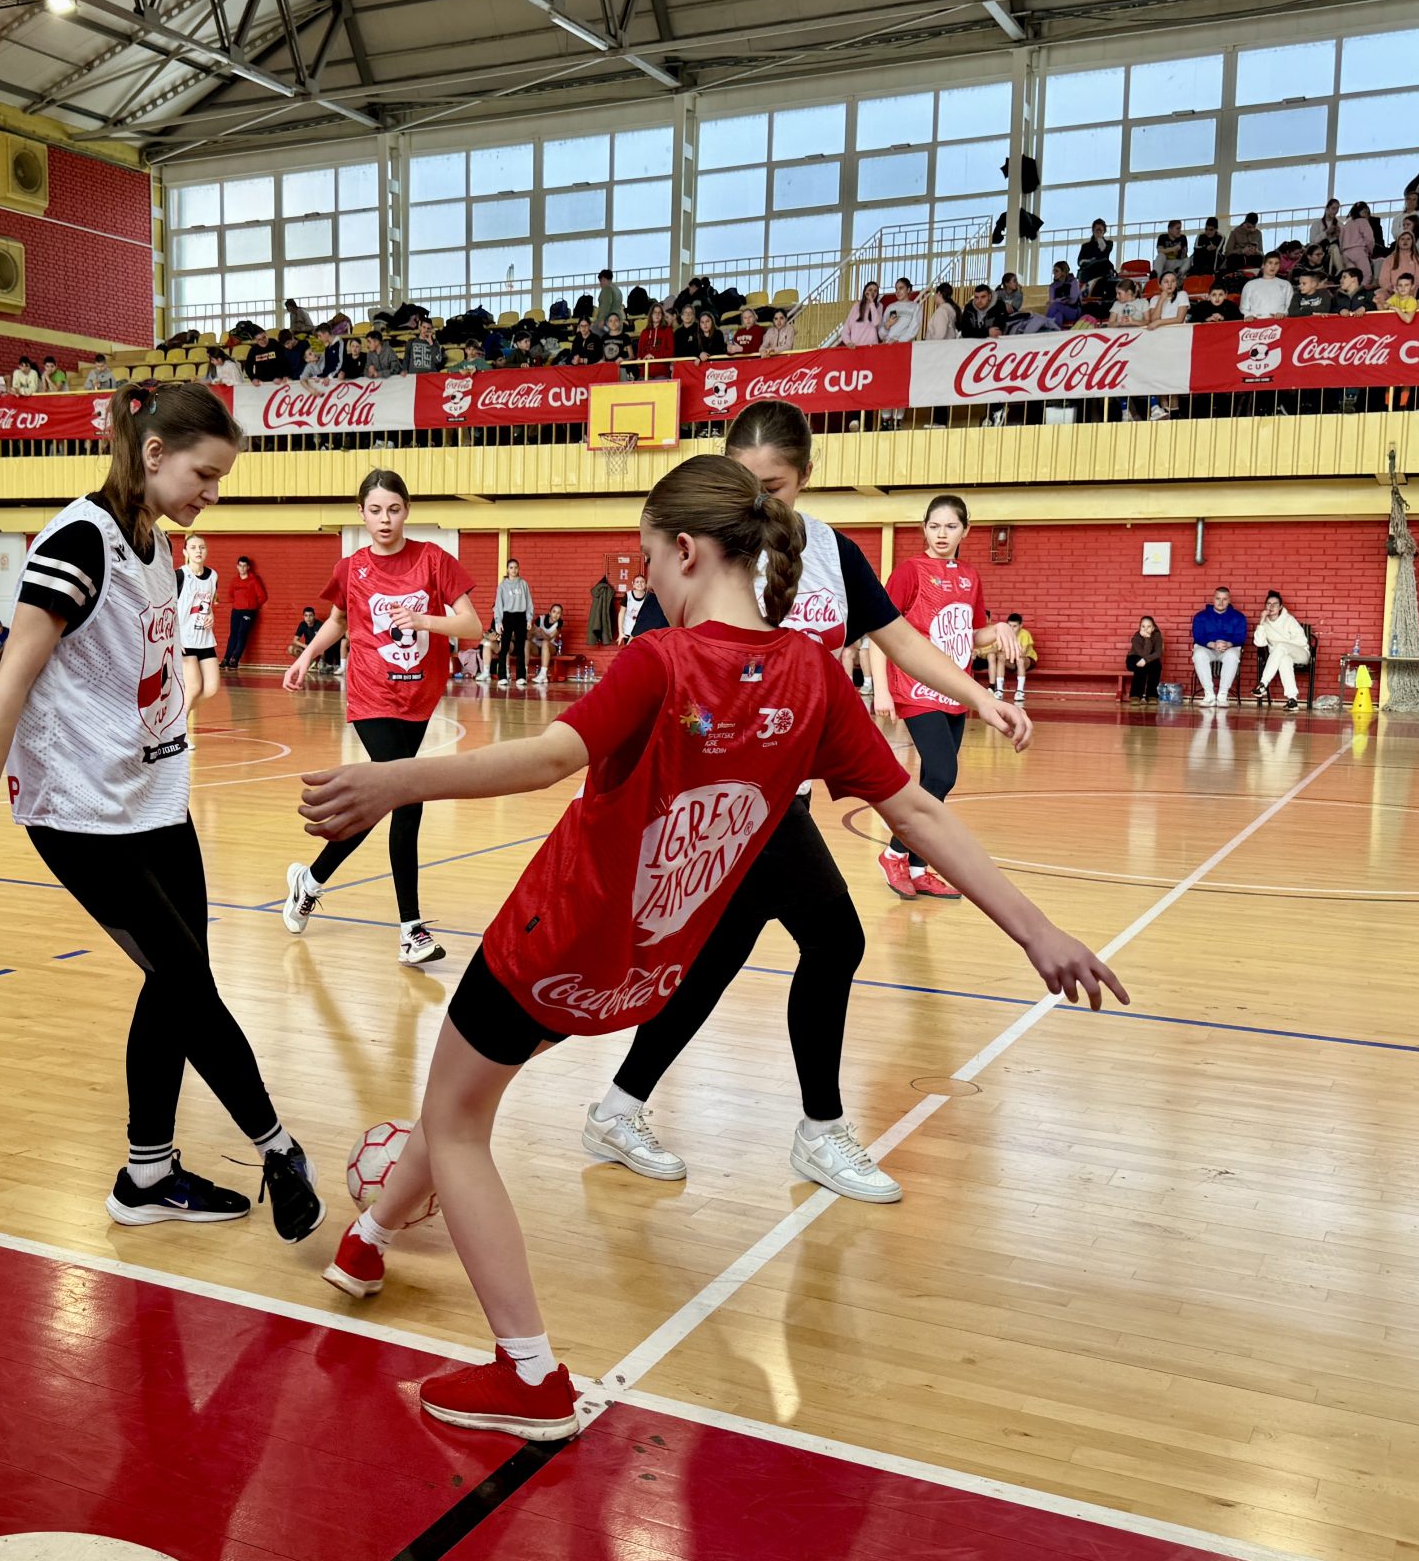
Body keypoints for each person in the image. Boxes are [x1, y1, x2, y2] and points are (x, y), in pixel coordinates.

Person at [305, 454, 1125, 1438]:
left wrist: (395, 782)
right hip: (640, 969)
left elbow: (548, 757)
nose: (646, 579)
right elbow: (915, 811)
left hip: (550, 941)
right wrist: (1038, 932)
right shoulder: (813, 675)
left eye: (649, 559)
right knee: (466, 1094)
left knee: (454, 1124)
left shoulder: (660, 662)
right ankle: (366, 1240)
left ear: (687, 551)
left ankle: (527, 1374)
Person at [0, 382, 322, 1239]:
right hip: (80, 813)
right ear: (153, 454)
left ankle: (147, 1175)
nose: (212, 495)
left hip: (153, 797)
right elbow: (11, 678)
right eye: (204, 476)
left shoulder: (156, 542)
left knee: (175, 983)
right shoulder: (79, 540)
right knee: (186, 982)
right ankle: (278, 1149)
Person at [598, 405, 1028, 1194]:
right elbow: (649, 668)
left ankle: (619, 1107)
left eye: (774, 486)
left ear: (805, 477)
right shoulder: (700, 548)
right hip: (719, 790)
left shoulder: (830, 551)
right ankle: (819, 1131)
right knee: (835, 941)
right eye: (743, 482)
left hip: (780, 791)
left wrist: (979, 696)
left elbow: (901, 639)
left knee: (723, 955)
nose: (757, 501)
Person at [279, 471, 482, 967]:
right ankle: (411, 930)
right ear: (361, 514)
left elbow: (473, 625)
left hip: (419, 695)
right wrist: (306, 656)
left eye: (393, 509)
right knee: (406, 797)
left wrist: (425, 619)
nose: (385, 519)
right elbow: (339, 620)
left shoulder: (434, 559)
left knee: (383, 799)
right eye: (375, 510)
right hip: (371, 695)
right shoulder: (351, 568)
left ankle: (310, 881)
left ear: (406, 510)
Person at [879, 495, 991, 902]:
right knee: (943, 775)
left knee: (934, 781)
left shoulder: (970, 577)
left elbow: (973, 635)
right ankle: (894, 854)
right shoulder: (910, 571)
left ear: (965, 530)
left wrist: (1001, 633)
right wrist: (881, 689)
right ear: (924, 528)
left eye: (951, 526)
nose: (942, 534)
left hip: (955, 689)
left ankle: (917, 867)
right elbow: (880, 629)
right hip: (916, 688)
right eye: (934, 526)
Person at [176, 532, 221, 711]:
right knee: (193, 688)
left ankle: (177, 716)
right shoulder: (179, 575)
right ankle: (179, 725)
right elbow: (166, 608)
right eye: (193, 548)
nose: (198, 551)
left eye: (202, 547)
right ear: (185, 552)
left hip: (204, 638)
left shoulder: (213, 576)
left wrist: (211, 615)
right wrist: (173, 637)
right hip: (184, 639)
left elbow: (207, 604)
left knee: (211, 689)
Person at [1251, 590, 1310, 710]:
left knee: (1280, 647)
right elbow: (1259, 643)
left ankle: (1263, 684)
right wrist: (1261, 621)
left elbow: (1302, 641)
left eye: (1275, 604)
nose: (1271, 607)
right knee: (1284, 660)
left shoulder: (1289, 620)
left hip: (1301, 653)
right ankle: (1292, 699)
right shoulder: (1265, 624)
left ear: (1280, 607)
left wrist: (1283, 646)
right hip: (1280, 656)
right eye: (1269, 604)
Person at [1190, 586, 1247, 705]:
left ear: (1229, 600)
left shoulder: (1238, 617)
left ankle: (1222, 695)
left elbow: (1241, 637)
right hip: (1207, 648)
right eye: (1218, 598)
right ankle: (1209, 694)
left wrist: (1228, 644)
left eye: (1224, 599)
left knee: (1232, 656)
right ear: (1213, 599)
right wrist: (1212, 644)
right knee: (1198, 654)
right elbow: (1198, 635)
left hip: (1228, 649)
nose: (1221, 602)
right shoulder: (1201, 616)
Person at [490, 557, 533, 690]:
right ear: (507, 570)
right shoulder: (502, 586)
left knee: (520, 647)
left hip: (521, 616)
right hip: (507, 616)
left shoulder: (523, 584)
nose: (514, 570)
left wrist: (529, 619)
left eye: (516, 567)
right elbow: (498, 604)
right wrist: (498, 621)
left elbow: (529, 603)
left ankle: (521, 676)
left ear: (518, 569)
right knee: (504, 647)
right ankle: (502, 676)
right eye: (511, 568)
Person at [976, 610, 1036, 701]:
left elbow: (1022, 653)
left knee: (1020, 660)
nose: (1012, 629)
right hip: (1011, 661)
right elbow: (998, 649)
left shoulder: (1024, 634)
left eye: (1015, 626)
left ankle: (1020, 691)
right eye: (1009, 626)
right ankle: (999, 690)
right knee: (1000, 657)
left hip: (1026, 659)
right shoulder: (1004, 634)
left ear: (1020, 626)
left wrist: (1004, 650)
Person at [221, 553, 268, 668]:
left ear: (248, 567)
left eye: (244, 566)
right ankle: (226, 658)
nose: (242, 568)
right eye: (240, 566)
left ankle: (234, 659)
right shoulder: (235, 581)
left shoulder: (253, 580)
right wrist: (237, 603)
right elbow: (230, 595)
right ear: (237, 566)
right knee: (233, 634)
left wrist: (252, 606)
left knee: (241, 633)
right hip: (236, 610)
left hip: (248, 611)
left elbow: (262, 596)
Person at [1125, 614, 1163, 702]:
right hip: (1134, 658)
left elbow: (1158, 653)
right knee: (1140, 665)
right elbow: (1143, 653)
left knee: (1156, 665)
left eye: (1149, 626)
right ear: (1140, 627)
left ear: (1153, 628)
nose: (1145, 629)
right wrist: (1147, 639)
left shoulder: (1157, 635)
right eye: (1143, 626)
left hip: (1148, 659)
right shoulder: (1136, 637)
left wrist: (1145, 660)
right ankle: (1135, 695)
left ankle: (1152, 695)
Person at [529, 602, 565, 685]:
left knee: (545, 642)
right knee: (527, 643)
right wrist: (533, 632)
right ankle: (523, 672)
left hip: (551, 647)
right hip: (537, 646)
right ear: (549, 612)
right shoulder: (540, 619)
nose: (556, 615)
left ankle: (543, 674)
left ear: (560, 615)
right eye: (554, 612)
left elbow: (549, 638)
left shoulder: (559, 623)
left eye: (558, 613)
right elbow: (530, 635)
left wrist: (542, 632)